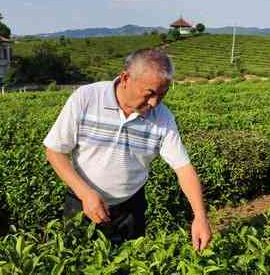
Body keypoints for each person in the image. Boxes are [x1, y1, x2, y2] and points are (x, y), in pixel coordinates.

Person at [43, 48, 212, 250]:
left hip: (130, 208)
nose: (154, 102)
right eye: (149, 93)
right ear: (125, 78)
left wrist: (200, 217)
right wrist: (85, 193)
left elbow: (183, 168)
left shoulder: (163, 118)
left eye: (162, 94)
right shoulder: (87, 98)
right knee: (78, 260)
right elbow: (54, 150)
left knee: (128, 262)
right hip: (81, 202)